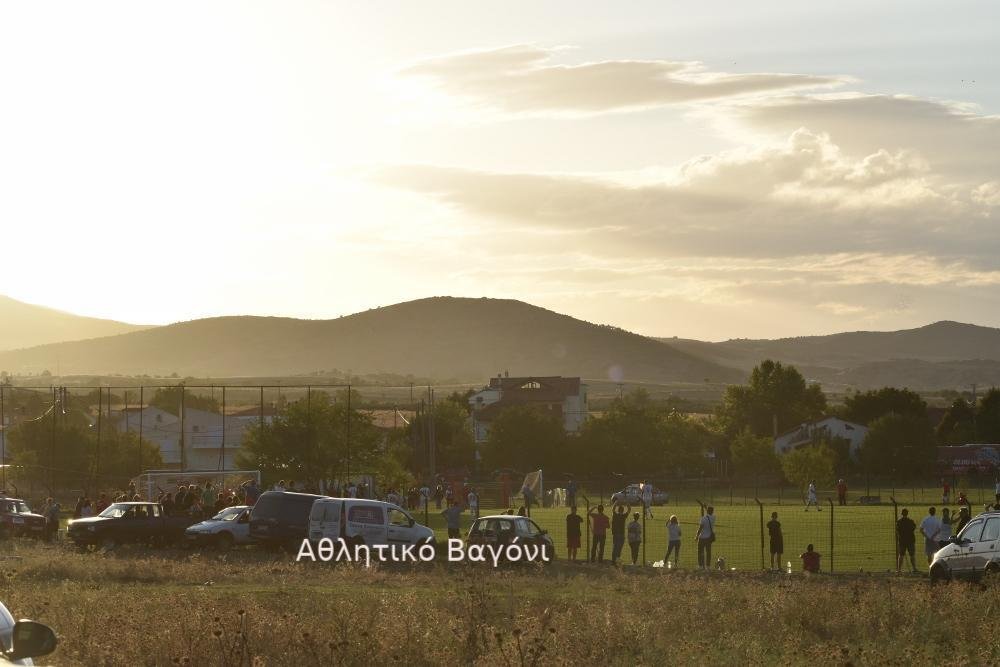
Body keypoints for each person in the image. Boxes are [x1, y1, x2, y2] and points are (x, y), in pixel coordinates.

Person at [896, 508, 918, 573]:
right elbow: (913, 528)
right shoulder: (911, 521)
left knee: (901, 555)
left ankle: (899, 569)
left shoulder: (899, 522)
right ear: (907, 513)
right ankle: (914, 568)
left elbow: (897, 531)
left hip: (902, 541)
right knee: (912, 555)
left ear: (902, 514)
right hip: (910, 540)